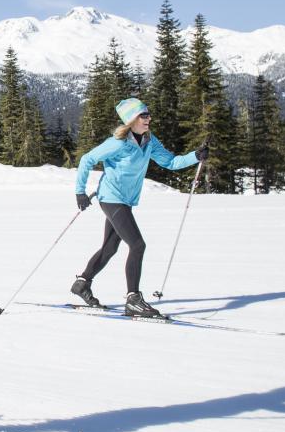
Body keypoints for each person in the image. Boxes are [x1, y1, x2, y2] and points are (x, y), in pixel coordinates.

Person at [72, 98, 208, 319]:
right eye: (144, 115)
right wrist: (80, 191)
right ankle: (133, 299)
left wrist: (195, 156)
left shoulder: (148, 140)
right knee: (137, 244)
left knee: (110, 248)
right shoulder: (118, 143)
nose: (148, 118)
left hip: (125, 200)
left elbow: (171, 162)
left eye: (148, 114)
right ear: (132, 120)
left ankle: (82, 283)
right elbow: (87, 160)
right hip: (111, 198)